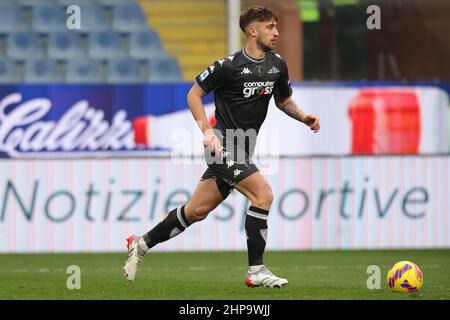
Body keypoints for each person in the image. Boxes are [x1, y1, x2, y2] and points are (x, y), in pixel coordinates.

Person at [123, 6, 320, 288]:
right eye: (269, 27)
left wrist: (303, 117)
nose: (276, 32)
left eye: (276, 26)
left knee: (195, 211)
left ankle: (141, 244)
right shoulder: (228, 66)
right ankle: (256, 270)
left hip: (244, 148)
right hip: (223, 145)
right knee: (263, 195)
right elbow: (194, 94)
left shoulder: (277, 65)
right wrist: (207, 131)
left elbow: (282, 100)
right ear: (253, 31)